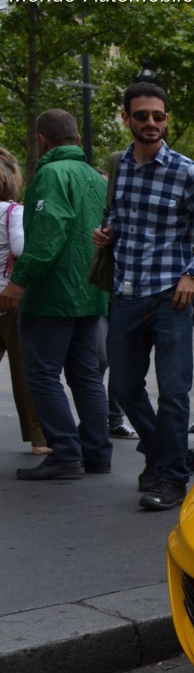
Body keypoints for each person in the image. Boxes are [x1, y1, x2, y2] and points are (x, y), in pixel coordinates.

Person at [92, 81, 194, 509]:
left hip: (172, 297)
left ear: (166, 119)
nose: (150, 123)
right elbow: (118, 214)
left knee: (173, 390)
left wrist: (192, 275)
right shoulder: (120, 167)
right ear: (126, 119)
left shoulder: (186, 170)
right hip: (125, 293)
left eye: (157, 116)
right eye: (141, 116)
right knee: (126, 386)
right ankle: (166, 453)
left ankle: (168, 477)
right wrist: (108, 232)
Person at [0, 110, 111, 480]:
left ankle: (65, 452)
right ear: (78, 139)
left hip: (53, 293)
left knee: (43, 373)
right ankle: (95, 452)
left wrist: (20, 282)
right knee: (85, 374)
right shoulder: (94, 178)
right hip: (90, 289)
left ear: (41, 139)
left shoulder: (50, 174)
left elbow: (48, 234)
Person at [0, 147, 50, 455]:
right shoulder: (12, 212)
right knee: (24, 374)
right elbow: (20, 248)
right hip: (10, 302)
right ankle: (39, 440)